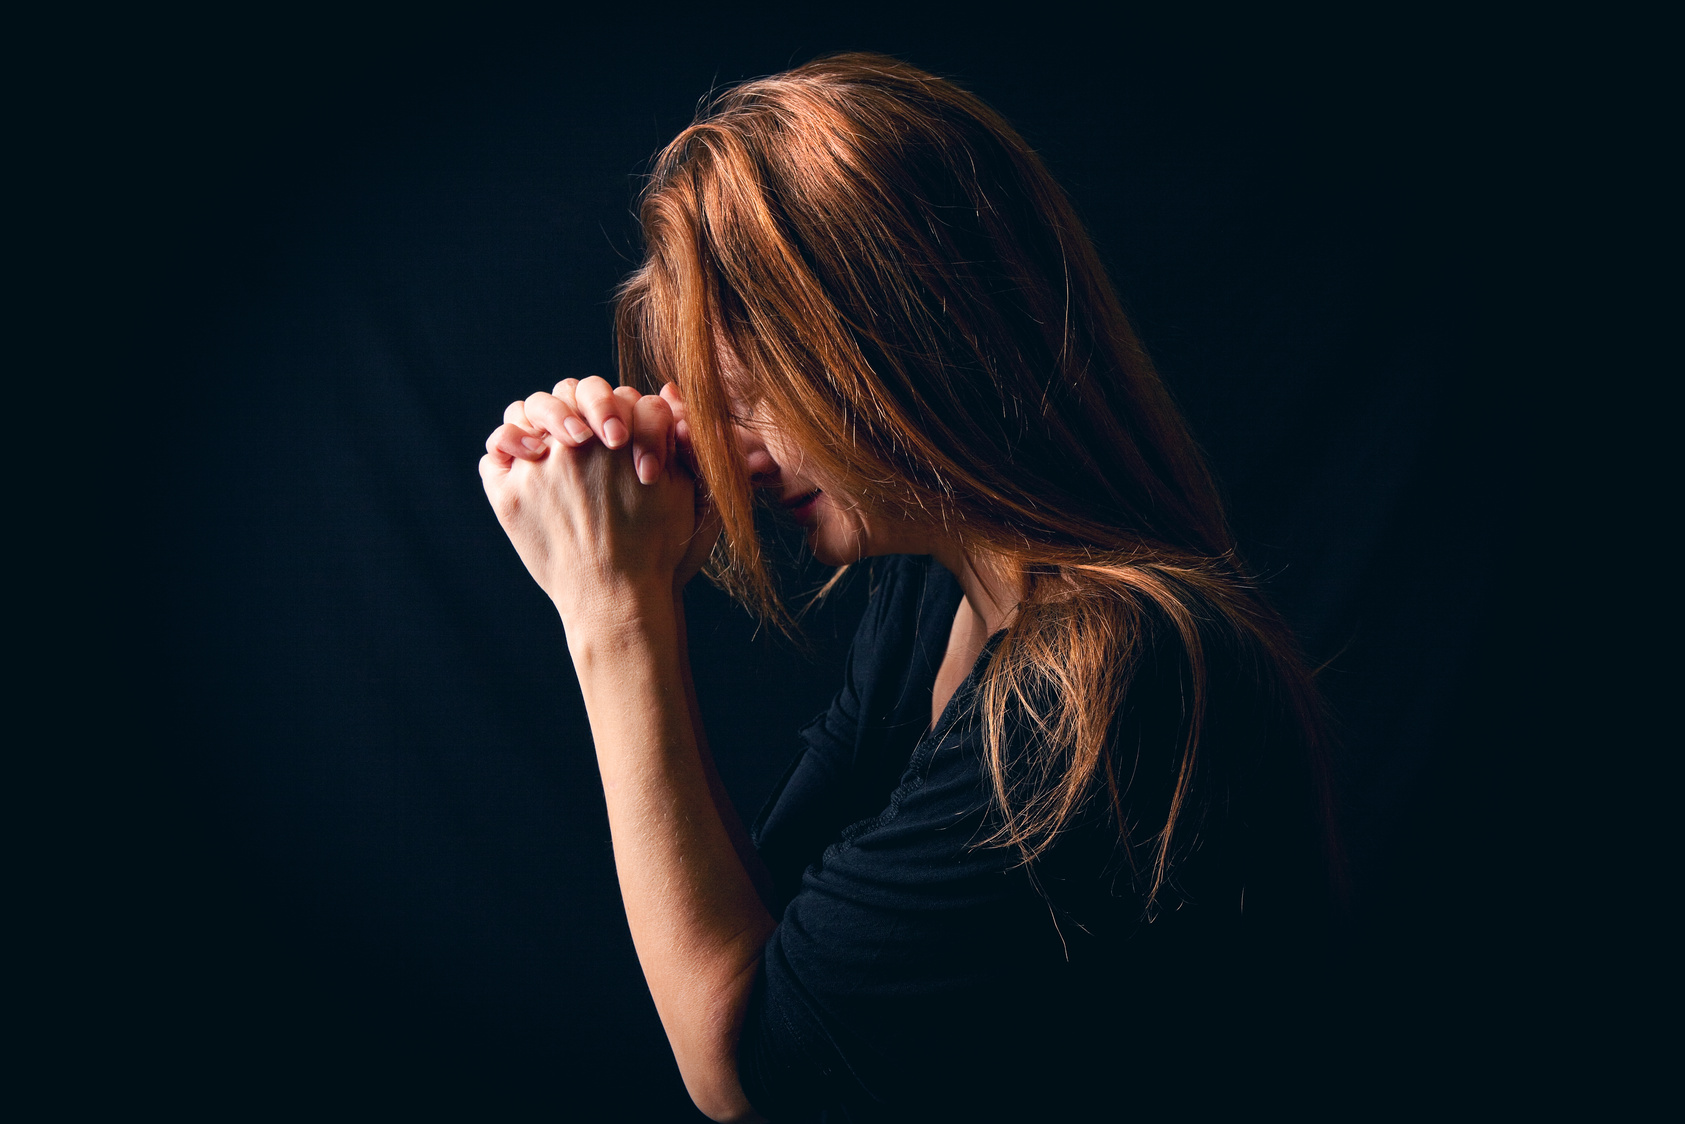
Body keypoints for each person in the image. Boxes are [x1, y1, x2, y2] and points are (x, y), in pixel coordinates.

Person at [480, 54, 1338, 1122]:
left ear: (896, 346)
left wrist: (614, 616)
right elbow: (771, 942)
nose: (729, 456)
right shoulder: (932, 605)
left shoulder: (1117, 667)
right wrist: (637, 585)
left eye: (747, 399)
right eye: (710, 404)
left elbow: (749, 1069)